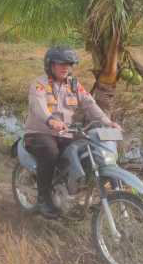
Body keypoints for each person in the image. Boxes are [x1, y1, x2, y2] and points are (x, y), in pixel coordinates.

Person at [24, 45, 122, 219]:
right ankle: (43, 199)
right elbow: (38, 106)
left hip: (65, 132)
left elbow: (89, 104)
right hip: (39, 133)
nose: (66, 68)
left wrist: (108, 122)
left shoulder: (74, 85)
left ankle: (79, 190)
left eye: (69, 64)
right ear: (50, 65)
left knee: (88, 148)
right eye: (61, 64)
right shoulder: (39, 85)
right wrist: (51, 120)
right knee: (50, 151)